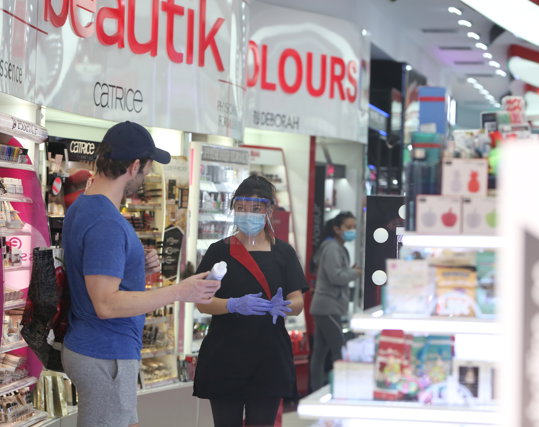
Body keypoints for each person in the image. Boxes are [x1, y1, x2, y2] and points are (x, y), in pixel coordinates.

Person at [61, 121, 221, 427]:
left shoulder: (85, 206)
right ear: (134, 166)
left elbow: (91, 269)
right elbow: (106, 304)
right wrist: (179, 291)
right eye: (147, 169)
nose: (147, 176)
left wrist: (134, 263)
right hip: (105, 355)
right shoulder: (106, 222)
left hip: (98, 351)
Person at [193, 175, 308, 427]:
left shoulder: (284, 253)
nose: (248, 214)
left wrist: (286, 306)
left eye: (256, 208)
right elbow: (201, 302)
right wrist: (231, 305)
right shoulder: (219, 251)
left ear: (268, 210)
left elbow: (297, 300)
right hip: (225, 356)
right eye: (241, 207)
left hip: (268, 357)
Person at [309, 211, 362, 392]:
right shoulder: (332, 248)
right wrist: (354, 273)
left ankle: (316, 390)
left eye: (354, 227)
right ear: (337, 229)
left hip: (326, 306)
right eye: (348, 227)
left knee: (320, 352)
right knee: (340, 350)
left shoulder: (336, 247)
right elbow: (335, 276)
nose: (352, 230)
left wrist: (349, 271)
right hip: (328, 306)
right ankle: (342, 390)